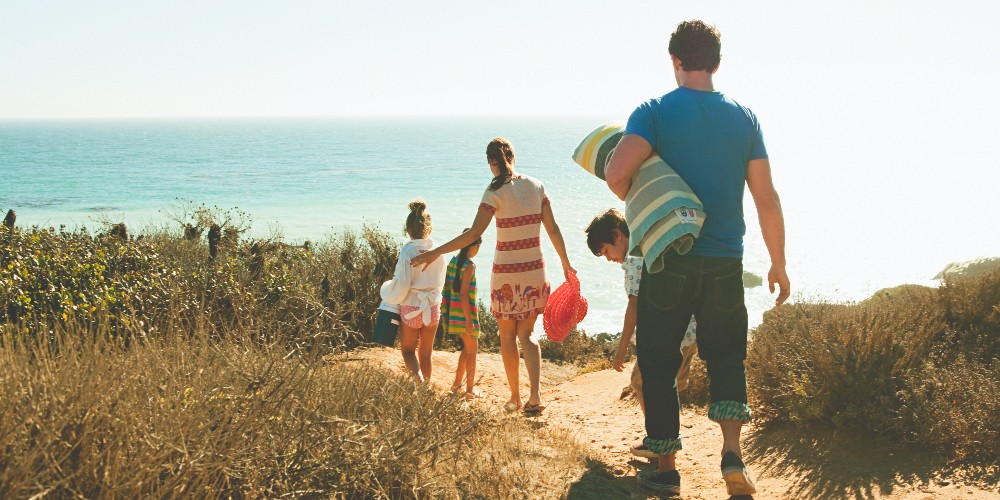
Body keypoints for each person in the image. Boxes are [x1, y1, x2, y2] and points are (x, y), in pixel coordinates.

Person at [604, 20, 790, 497]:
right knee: (727, 355)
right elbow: (766, 198)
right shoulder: (744, 118)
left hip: (668, 261)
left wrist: (648, 195)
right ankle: (732, 456)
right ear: (717, 62)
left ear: (675, 60)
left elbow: (617, 173)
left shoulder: (655, 112)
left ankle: (666, 467)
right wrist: (778, 263)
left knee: (660, 360)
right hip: (726, 259)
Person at [412, 137, 576, 414]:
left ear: (492, 162)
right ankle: (535, 396)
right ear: (512, 155)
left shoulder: (494, 192)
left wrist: (433, 253)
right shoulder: (537, 186)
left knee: (507, 336)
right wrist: (566, 264)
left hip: (507, 273)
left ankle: (515, 397)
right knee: (527, 333)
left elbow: (474, 234)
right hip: (535, 269)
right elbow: (553, 229)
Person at [585, 208, 698, 459]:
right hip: (689, 330)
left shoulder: (635, 260)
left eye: (605, 251)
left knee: (642, 384)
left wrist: (622, 347)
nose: (608, 258)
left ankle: (659, 440)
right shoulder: (651, 241)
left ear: (617, 235)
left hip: (667, 336)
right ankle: (665, 438)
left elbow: (634, 306)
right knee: (671, 387)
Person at [380, 199, 448, 382]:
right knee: (426, 353)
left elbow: (401, 285)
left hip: (411, 307)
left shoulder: (407, 252)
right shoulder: (439, 251)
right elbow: (441, 283)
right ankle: (426, 387)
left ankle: (419, 385)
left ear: (407, 230)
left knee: (408, 351)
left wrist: (386, 291)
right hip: (433, 307)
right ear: (430, 229)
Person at [443, 229, 483, 400]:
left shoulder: (453, 261)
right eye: (478, 246)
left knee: (467, 350)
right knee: (472, 351)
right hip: (465, 315)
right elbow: (463, 293)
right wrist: (469, 320)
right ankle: (469, 390)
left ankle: (456, 385)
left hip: (454, 314)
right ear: (474, 246)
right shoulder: (469, 266)